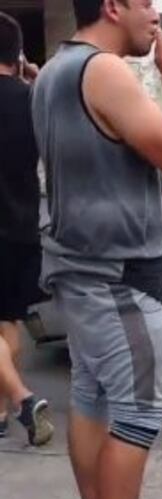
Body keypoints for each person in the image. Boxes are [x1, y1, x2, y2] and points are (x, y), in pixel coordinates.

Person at [32, 0, 162, 499]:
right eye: (147, 2)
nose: (156, 14)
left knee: (94, 399)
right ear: (113, 6)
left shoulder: (56, 70)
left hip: (80, 268)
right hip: (116, 275)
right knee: (138, 411)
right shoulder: (104, 71)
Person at [0, 11, 55, 447]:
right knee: (7, 325)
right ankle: (0, 412)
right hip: (23, 226)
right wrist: (31, 78)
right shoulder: (34, 98)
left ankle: (21, 398)